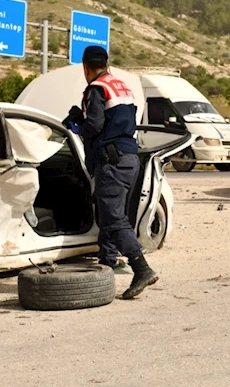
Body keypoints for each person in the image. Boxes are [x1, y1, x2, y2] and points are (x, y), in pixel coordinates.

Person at [62, 46, 158, 300]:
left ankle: (141, 268)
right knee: (110, 214)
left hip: (111, 161)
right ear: (106, 64)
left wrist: (76, 125)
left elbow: (94, 126)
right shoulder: (121, 86)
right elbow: (119, 121)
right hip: (129, 159)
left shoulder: (96, 89)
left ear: (86, 68)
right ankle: (107, 260)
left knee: (114, 218)